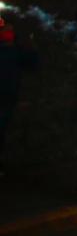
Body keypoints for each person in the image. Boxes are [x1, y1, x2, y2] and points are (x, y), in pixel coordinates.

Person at [0, 15, 38, 179]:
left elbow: (33, 63)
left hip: (7, 97)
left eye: (9, 30)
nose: (7, 32)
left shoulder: (16, 50)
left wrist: (29, 44)